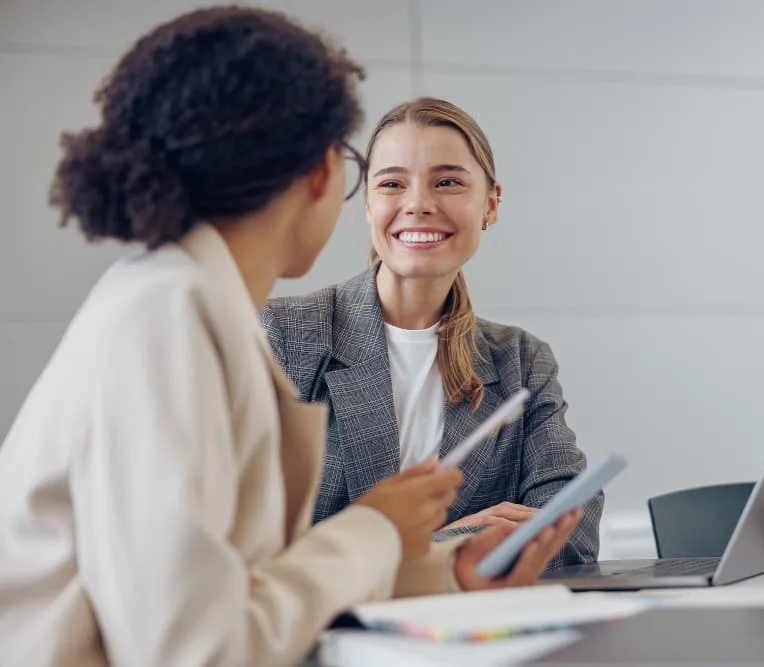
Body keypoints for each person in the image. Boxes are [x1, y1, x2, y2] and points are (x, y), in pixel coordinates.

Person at [0, 9, 581, 667]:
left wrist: (447, 572)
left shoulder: (184, 302)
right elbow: (198, 648)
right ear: (317, 173)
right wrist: (378, 526)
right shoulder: (171, 316)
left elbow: (242, 587)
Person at [260, 97, 602, 568]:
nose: (419, 203)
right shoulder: (283, 336)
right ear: (369, 204)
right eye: (392, 184)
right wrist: (451, 541)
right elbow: (254, 546)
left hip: (472, 634)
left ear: (491, 203)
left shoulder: (520, 359)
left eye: (447, 182)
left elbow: (572, 535)